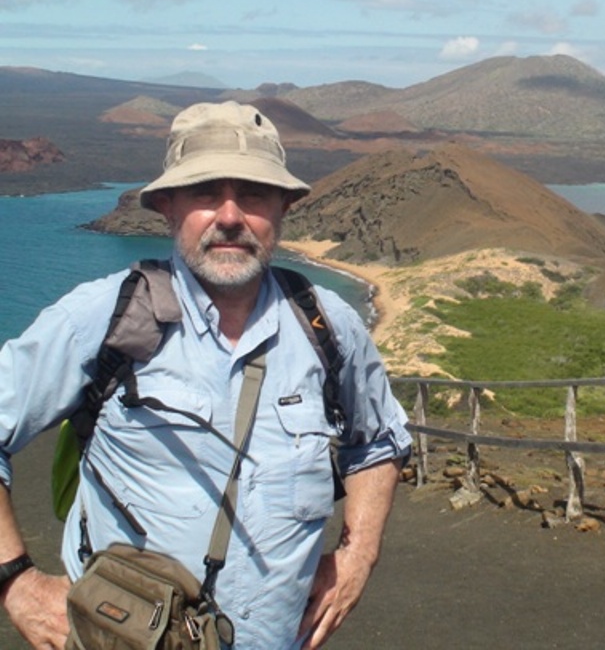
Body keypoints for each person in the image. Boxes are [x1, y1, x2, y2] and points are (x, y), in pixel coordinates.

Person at [0, 101, 412, 649]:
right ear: (167, 209)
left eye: (255, 194)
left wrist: (358, 556)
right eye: (204, 193)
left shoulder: (326, 326)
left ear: (284, 209)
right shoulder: (103, 318)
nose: (230, 216)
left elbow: (378, 441)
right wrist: (17, 583)